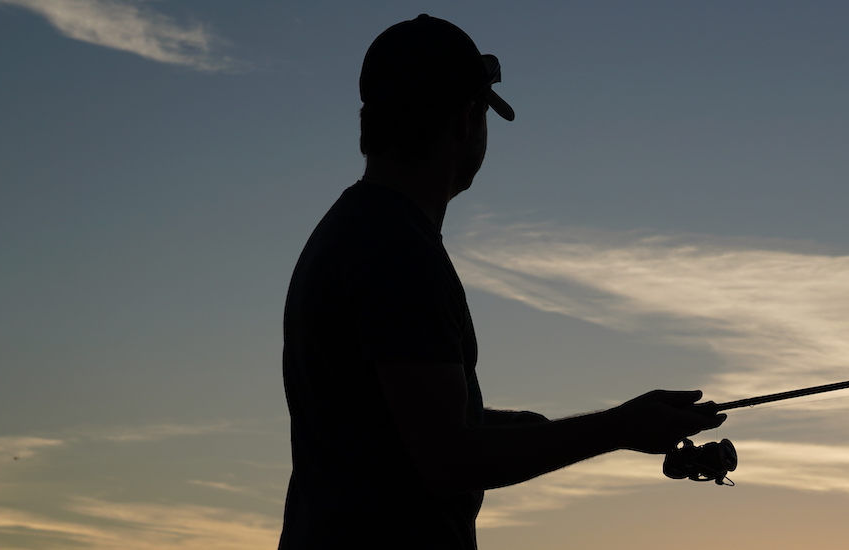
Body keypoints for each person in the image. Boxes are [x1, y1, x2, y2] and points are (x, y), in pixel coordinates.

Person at [279, 15, 727, 549]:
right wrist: (618, 428)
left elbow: (393, 424)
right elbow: (448, 460)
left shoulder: (353, 232)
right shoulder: (398, 256)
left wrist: (525, 426)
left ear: (367, 124)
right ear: (468, 119)